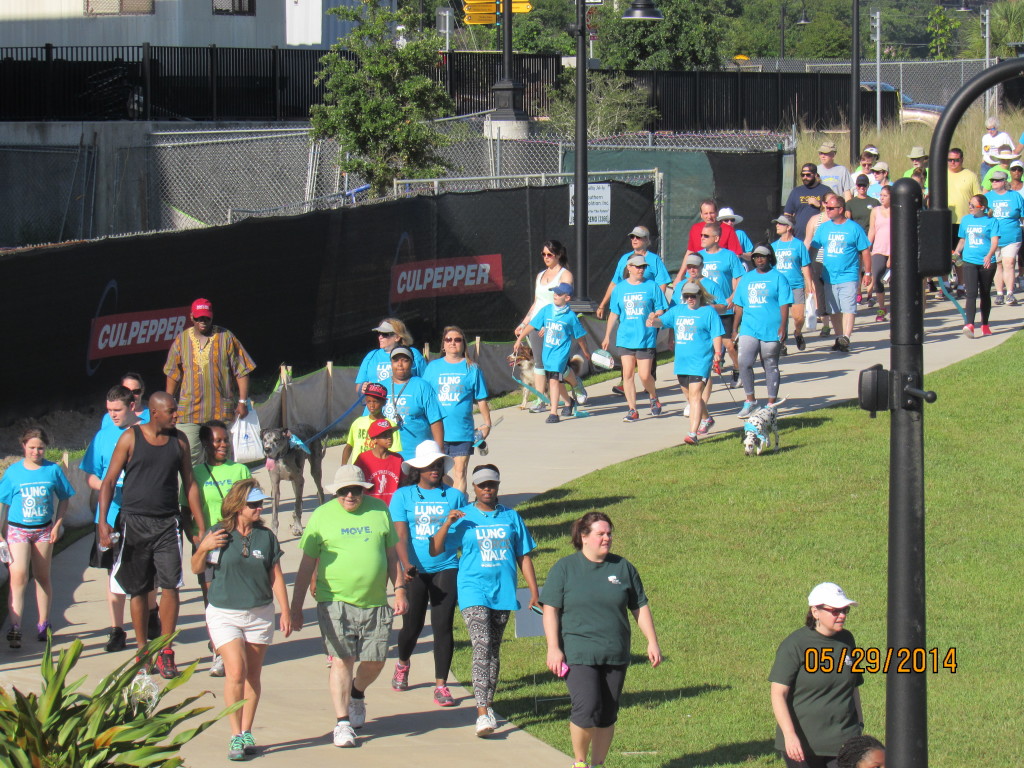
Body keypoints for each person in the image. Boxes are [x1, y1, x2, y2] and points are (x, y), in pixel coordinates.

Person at [290, 464, 408, 748]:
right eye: (344, 491)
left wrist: (400, 589)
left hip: (376, 600)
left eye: (356, 490)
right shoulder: (322, 516)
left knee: (376, 660)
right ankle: (342, 723)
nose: (350, 495)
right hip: (335, 600)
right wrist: (295, 608)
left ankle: (357, 693)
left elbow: (391, 555)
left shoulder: (379, 510)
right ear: (336, 492)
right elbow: (306, 565)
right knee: (343, 659)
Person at [99, 391, 206, 678]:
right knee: (139, 588)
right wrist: (102, 523)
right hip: (134, 523)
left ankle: (166, 651)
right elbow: (108, 481)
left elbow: (191, 484)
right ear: (154, 412)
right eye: (171, 411)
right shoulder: (130, 438)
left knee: (171, 586)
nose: (176, 416)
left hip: (167, 524)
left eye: (176, 410)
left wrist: (200, 526)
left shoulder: (179, 441)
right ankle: (144, 649)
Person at [542, 512, 662, 768]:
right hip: (579, 652)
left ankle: (598, 764)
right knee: (587, 709)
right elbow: (550, 609)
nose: (607, 538)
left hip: (615, 652)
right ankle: (580, 762)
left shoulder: (623, 567)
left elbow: (639, 606)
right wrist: (553, 648)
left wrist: (652, 641)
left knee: (607, 714)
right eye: (600, 533)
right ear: (584, 537)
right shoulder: (565, 569)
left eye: (609, 533)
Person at [430, 464, 539, 738]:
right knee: (481, 645)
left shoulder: (511, 517)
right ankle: (481, 713)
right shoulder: (463, 516)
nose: (487, 489)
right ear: (474, 488)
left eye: (491, 484)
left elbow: (523, 555)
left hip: (503, 590)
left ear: (498, 486)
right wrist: (447, 523)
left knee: (493, 650)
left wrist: (534, 590)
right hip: (472, 589)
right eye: (482, 485)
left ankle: (488, 704)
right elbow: (435, 548)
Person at [191, 480, 291, 761]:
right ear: (237, 507)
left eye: (261, 503)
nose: (259, 508)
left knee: (253, 675)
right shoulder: (219, 534)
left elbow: (276, 575)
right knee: (236, 671)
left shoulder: (266, 537)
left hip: (259, 613)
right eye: (254, 504)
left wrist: (285, 610)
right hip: (224, 613)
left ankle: (247, 731)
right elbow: (197, 568)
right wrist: (203, 547)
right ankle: (235, 734)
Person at [388, 441, 468, 706]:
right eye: (429, 466)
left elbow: (461, 534)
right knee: (412, 627)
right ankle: (402, 663)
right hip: (414, 569)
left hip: (446, 565)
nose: (435, 469)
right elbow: (400, 533)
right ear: (418, 469)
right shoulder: (403, 496)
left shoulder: (454, 496)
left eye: (438, 465)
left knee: (443, 625)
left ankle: (441, 685)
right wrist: (404, 565)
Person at [769, 582, 864, 768]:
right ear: (815, 612)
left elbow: (853, 687)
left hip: (844, 742)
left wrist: (859, 724)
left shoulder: (847, 640)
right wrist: (789, 736)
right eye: (835, 611)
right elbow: (778, 694)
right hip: (803, 746)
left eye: (845, 610)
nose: (842, 615)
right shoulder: (795, 645)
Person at [186, 419, 252, 676]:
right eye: (217, 441)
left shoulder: (240, 471)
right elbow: (185, 508)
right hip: (209, 543)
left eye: (225, 440)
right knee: (212, 598)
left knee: (238, 595)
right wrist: (194, 537)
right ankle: (219, 652)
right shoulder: (196, 474)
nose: (223, 444)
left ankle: (239, 644)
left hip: (236, 541)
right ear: (205, 444)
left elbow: (253, 505)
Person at [81, 384, 142, 652]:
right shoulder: (103, 436)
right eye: (109, 411)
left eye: (117, 410)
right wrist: (106, 484)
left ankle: (149, 616)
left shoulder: (146, 432)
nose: (113, 415)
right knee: (112, 572)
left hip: (141, 512)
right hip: (110, 513)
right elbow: (90, 475)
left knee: (143, 568)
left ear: (131, 406)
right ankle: (117, 629)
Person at [0, 427, 74, 648]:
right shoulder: (13, 472)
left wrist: (57, 525)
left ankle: (43, 623)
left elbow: (64, 498)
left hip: (43, 529)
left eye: (40, 448)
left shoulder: (53, 470)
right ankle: (15, 627)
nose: (36, 452)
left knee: (42, 576)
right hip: (17, 530)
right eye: (31, 447)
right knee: (19, 576)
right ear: (23, 447)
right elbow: (2, 503)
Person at [164, 298, 256, 466]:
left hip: (220, 410)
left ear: (212, 317)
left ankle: (224, 492)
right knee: (189, 458)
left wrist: (242, 401)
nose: (203, 322)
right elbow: (173, 373)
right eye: (199, 318)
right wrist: (169, 403)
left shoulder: (226, 337)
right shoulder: (182, 340)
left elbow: (242, 370)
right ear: (191, 317)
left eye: (206, 318)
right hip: (189, 412)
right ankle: (190, 492)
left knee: (221, 458)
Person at [648, 281, 724, 444]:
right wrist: (653, 320)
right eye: (686, 296)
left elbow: (716, 334)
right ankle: (707, 419)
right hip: (682, 362)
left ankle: (692, 434)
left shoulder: (708, 312)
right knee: (690, 397)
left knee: (696, 396)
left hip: (701, 361)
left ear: (699, 296)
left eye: (693, 296)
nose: (690, 299)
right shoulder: (678, 311)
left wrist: (718, 353)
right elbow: (661, 321)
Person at [515, 240, 586, 411]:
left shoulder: (565, 275)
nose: (546, 257)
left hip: (555, 326)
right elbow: (536, 303)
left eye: (550, 254)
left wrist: (550, 324)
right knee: (539, 363)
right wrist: (524, 323)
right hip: (537, 324)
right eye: (543, 254)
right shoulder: (540, 276)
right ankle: (541, 400)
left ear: (559, 255)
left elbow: (564, 300)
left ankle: (576, 384)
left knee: (557, 366)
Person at [424, 325, 492, 493]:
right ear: (443, 345)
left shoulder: (472, 368)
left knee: (460, 472)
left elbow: (481, 399)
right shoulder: (433, 368)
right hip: (436, 430)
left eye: (457, 340)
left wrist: (487, 424)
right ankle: (451, 498)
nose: (452, 343)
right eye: (448, 340)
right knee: (435, 473)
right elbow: (424, 397)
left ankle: (459, 508)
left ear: (463, 344)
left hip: (461, 431)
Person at [602, 254, 669, 423]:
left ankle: (653, 396)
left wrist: (655, 314)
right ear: (629, 268)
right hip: (625, 337)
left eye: (643, 267)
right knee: (628, 375)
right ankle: (632, 409)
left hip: (645, 337)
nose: (641, 270)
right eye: (637, 267)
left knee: (645, 375)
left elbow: (661, 308)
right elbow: (614, 313)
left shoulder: (652, 286)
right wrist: (607, 336)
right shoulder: (620, 289)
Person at [514, 283, 591, 425]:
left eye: (559, 294)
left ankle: (553, 412)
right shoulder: (547, 310)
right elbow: (532, 325)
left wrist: (586, 351)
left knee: (554, 380)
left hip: (560, 354)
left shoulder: (570, 317)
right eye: (555, 293)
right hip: (547, 352)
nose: (555, 295)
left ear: (567, 298)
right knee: (558, 379)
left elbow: (580, 336)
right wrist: (519, 339)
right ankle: (569, 401)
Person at [732, 244, 793, 418]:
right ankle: (750, 401)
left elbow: (784, 304)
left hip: (771, 328)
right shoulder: (747, 278)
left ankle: (771, 404)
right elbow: (739, 305)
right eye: (756, 256)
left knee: (770, 364)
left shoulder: (778, 278)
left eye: (763, 256)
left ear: (770, 258)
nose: (759, 259)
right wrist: (735, 328)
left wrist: (783, 326)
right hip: (749, 327)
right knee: (744, 362)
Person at [670, 254, 731, 426]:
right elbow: (673, 313)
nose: (692, 269)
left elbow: (723, 306)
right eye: (689, 266)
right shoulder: (681, 286)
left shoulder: (711, 285)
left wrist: (706, 308)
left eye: (695, 266)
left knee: (703, 372)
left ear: (702, 266)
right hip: (686, 338)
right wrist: (669, 335)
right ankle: (700, 408)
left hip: (705, 334)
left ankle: (699, 404)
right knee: (687, 385)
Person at [808, 195, 871, 352]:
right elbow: (814, 248)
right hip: (829, 276)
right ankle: (839, 338)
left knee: (848, 307)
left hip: (849, 275)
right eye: (826, 207)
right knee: (833, 309)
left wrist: (868, 272)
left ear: (841, 209)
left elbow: (865, 250)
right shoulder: (823, 228)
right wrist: (807, 266)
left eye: (830, 208)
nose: (827, 210)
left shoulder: (854, 228)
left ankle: (846, 337)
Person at [381, 346, 444, 459]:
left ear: (412, 363)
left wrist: (440, 451)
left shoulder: (422, 386)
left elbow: (436, 421)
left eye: (405, 360)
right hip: (387, 456)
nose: (400, 364)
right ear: (390, 363)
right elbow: (370, 419)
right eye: (396, 360)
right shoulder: (381, 387)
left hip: (418, 456)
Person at [597, 225, 671, 319]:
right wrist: (602, 305)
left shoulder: (655, 259)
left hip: (647, 312)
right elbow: (614, 283)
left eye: (638, 237)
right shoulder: (624, 259)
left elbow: (662, 284)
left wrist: (656, 307)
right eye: (632, 237)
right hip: (627, 311)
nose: (634, 239)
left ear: (646, 239)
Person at [953, 194, 999, 338]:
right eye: (969, 204)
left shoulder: (992, 221)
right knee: (971, 293)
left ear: (983, 208)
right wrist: (957, 252)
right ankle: (970, 324)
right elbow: (963, 239)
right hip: (969, 261)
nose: (970, 207)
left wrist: (989, 255)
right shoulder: (966, 220)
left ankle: (985, 324)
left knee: (985, 293)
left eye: (973, 205)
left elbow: (994, 241)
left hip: (987, 262)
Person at [771, 215, 815, 351]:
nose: (777, 226)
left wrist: (809, 283)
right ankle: (782, 343)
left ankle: (798, 332)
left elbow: (805, 265)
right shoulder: (773, 246)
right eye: (777, 224)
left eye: (781, 224)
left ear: (789, 227)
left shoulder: (798, 245)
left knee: (798, 317)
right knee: (780, 318)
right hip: (779, 287)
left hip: (795, 284)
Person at [985, 169, 1023, 307]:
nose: (994, 182)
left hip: (1012, 235)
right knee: (998, 264)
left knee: (1009, 262)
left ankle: (1010, 293)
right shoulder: (988, 197)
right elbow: (983, 217)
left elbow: (1022, 215)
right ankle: (1000, 293)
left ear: (1004, 182)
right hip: (993, 237)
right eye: (992, 180)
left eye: (997, 180)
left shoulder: (1015, 197)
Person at [355, 318, 427, 387]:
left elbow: (426, 381)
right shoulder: (371, 356)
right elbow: (359, 385)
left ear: (397, 337)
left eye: (385, 334)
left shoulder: (412, 354)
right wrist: (364, 388)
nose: (380, 337)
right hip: (379, 399)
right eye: (379, 333)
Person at [341, 383, 402, 463]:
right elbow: (349, 445)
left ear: (384, 402)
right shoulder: (358, 422)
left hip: (378, 470)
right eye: (368, 401)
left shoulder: (390, 425)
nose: (371, 405)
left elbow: (394, 453)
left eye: (375, 402)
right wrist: (343, 465)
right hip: (358, 468)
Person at [354, 420, 405, 507]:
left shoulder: (398, 459)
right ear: (374, 440)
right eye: (385, 436)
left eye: (390, 434)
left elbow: (404, 484)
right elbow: (355, 482)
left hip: (393, 508)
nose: (389, 438)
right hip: (370, 507)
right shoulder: (363, 458)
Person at [784, 164, 833, 240]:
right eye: (802, 175)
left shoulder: (825, 190)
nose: (805, 177)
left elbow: (834, 210)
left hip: (818, 235)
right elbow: (787, 213)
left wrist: (819, 205)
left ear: (816, 175)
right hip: (798, 235)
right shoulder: (796, 191)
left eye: (808, 175)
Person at [867, 186, 892, 322]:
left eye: (885, 196)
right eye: (880, 195)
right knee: (877, 279)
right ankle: (881, 308)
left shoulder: (897, 211)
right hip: (878, 249)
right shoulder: (875, 211)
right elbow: (872, 230)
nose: (882, 198)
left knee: (894, 281)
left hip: (893, 250)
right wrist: (866, 248)